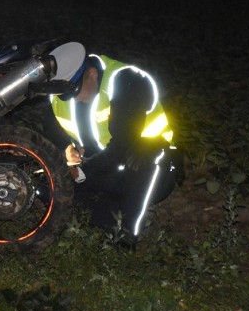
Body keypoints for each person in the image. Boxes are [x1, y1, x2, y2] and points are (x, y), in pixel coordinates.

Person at [42, 53, 183, 245]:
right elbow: (51, 124)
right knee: (45, 186)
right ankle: (100, 222)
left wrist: (80, 172)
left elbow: (121, 147)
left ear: (92, 74)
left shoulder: (127, 80)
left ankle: (128, 236)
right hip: (105, 168)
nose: (71, 100)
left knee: (149, 153)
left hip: (149, 167)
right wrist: (67, 148)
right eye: (64, 95)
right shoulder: (60, 92)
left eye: (75, 93)